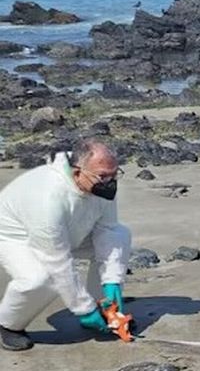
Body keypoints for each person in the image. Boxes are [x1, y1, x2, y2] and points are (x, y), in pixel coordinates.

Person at [0, 138, 132, 351]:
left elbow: (107, 230)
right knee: (40, 279)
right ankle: (8, 325)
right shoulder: (47, 197)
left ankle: (105, 307)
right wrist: (83, 308)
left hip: (69, 231)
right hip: (16, 236)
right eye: (103, 176)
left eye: (114, 174)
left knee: (120, 234)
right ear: (77, 172)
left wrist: (112, 279)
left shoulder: (98, 179)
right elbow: (57, 260)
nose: (110, 181)